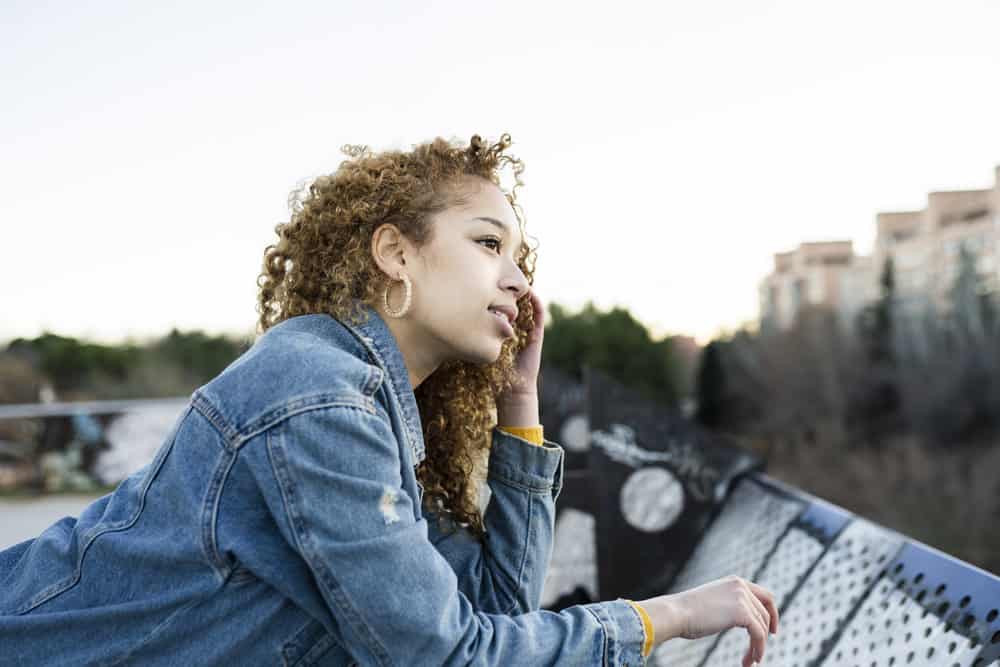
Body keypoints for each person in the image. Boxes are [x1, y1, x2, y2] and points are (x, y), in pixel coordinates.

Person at [0, 133, 778, 665]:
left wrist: (519, 400)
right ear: (395, 253)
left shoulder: (373, 415)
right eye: (486, 243)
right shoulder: (318, 398)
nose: (518, 279)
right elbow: (446, 656)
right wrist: (664, 617)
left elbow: (496, 612)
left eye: (518, 256)